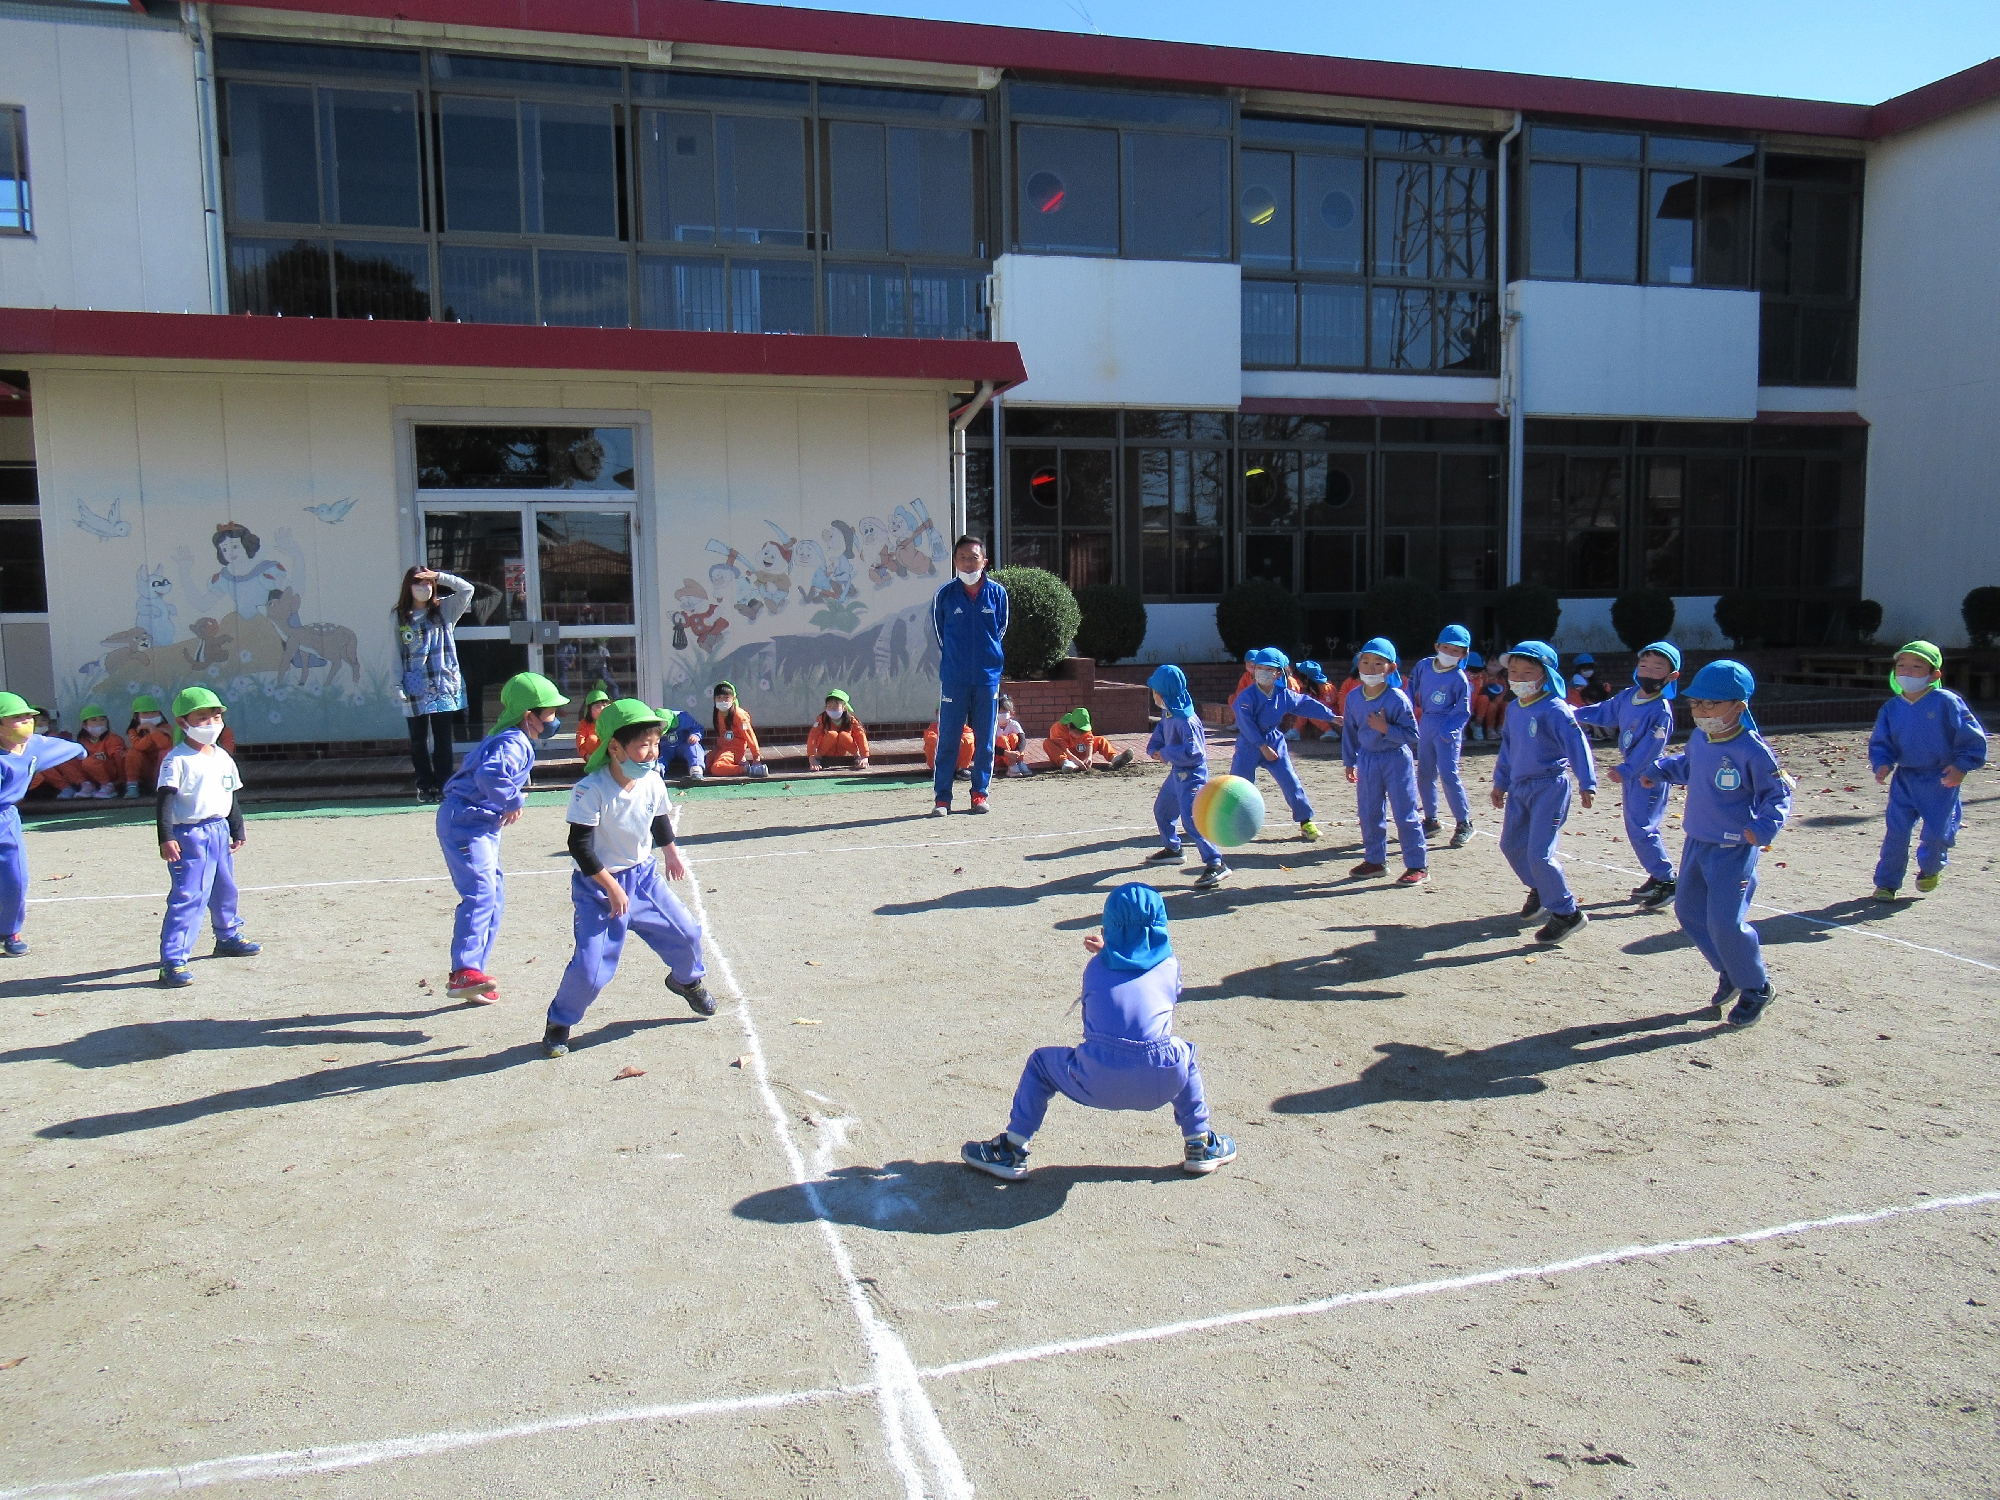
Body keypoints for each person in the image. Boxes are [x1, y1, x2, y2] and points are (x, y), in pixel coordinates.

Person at [960, 883, 1234, 1180]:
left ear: (1108, 926)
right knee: (1183, 1054)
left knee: (1040, 1062)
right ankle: (1200, 1142)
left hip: (1095, 1079)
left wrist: (1108, 953)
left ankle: (1013, 1149)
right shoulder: (1170, 966)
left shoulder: (1094, 968)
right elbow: (1151, 981)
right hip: (1160, 1082)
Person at [543, 699, 713, 1058]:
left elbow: (659, 819)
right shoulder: (591, 790)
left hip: (643, 878)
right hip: (599, 888)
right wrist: (610, 886)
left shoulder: (652, 781)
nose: (651, 753)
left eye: (654, 744)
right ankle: (559, 1022)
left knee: (687, 934)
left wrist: (670, 853)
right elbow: (579, 845)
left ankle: (686, 980)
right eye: (642, 746)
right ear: (614, 747)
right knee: (591, 970)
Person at [1641, 660, 1792, 1026]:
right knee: (1689, 913)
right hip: (1697, 840)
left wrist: (1765, 826)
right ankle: (1730, 970)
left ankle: (1756, 986)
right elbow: (1690, 766)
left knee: (1726, 922)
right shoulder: (1700, 738)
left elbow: (1779, 792)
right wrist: (1660, 771)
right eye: (1696, 704)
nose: (1702, 712)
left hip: (1733, 849)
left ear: (1739, 706)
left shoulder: (1752, 750)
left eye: (1712, 704)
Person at [435, 672, 568, 1003]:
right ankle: (464, 970)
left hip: (480, 824)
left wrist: (505, 801)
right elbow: (491, 774)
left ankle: (472, 973)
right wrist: (512, 800)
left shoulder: (511, 738)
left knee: (493, 896)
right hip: (465, 822)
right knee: (480, 892)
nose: (555, 719)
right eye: (550, 712)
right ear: (529, 716)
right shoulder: (512, 741)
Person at [1490, 641, 1597, 944]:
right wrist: (1501, 782)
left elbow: (1578, 746)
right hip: (1520, 788)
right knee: (1511, 846)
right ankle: (1541, 886)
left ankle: (1567, 912)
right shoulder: (1513, 708)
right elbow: (1508, 748)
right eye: (1514, 672)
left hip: (1550, 785)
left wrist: (1587, 783)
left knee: (1539, 852)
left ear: (1546, 675)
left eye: (1528, 672)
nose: (1519, 679)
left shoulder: (1556, 709)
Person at [156, 687, 260, 986]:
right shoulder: (177, 760)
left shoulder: (223, 756)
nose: (211, 723)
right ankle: (173, 959)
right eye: (202, 718)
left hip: (218, 830)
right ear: (182, 722)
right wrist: (166, 837)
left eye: (216, 716)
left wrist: (236, 827)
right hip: (188, 833)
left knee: (225, 888)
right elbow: (165, 799)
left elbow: (230, 794)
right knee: (188, 895)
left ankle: (227, 935)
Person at [1868, 640, 1987, 899]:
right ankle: (1887, 883)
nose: (1907, 672)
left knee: (1936, 833)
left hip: (1941, 779)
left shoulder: (1947, 702)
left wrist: (1962, 766)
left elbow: (1972, 738)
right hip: (1905, 778)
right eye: (1901, 666)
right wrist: (1883, 763)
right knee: (1896, 833)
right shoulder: (1891, 708)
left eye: (1916, 666)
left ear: (1934, 674)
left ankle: (1931, 868)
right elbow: (1881, 741)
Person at [1574, 641, 1682, 908]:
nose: (1648, 672)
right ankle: (1657, 875)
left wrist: (1627, 769)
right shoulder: (1627, 696)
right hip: (1633, 774)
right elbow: (1604, 713)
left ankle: (1667, 880)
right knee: (1636, 827)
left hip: (1650, 775)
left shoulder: (1661, 710)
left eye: (1657, 668)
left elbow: (1650, 747)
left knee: (1642, 827)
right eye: (1644, 665)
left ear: (1671, 676)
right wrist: (1572, 713)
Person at [0, 692, 86, 956]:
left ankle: (9, 931)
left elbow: (60, 747)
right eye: (17, 718)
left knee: (16, 878)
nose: (27, 721)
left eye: (29, 716)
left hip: (6, 819)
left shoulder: (34, 745)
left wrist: (81, 750)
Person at [929, 536, 1009, 816]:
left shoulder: (998, 594)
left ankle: (979, 795)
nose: (968, 562)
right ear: (954, 561)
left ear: (984, 561)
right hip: (954, 678)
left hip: (987, 679)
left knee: (985, 741)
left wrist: (987, 661)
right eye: (962, 557)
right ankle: (942, 799)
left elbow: (999, 631)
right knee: (948, 739)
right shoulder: (945, 595)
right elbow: (941, 635)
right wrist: (958, 661)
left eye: (973, 557)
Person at [1340, 637, 1427, 884]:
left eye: (1378, 663)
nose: (1370, 668)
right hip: (1367, 759)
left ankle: (1417, 865)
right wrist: (1350, 760)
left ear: (1391, 668)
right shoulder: (1354, 697)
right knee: (1368, 812)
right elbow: (1349, 730)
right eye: (1365, 662)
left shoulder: (1397, 698)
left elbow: (1412, 734)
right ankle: (1375, 860)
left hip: (1395, 760)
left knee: (1404, 812)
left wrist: (1385, 727)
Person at [1230, 647, 1338, 840]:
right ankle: (1232, 822)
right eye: (1259, 667)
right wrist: (1262, 746)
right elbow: (1246, 724)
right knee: (1239, 785)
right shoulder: (1246, 696)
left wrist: (1331, 716)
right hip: (1249, 744)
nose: (1263, 672)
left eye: (1269, 669)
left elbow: (1305, 703)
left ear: (1279, 673)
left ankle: (1306, 821)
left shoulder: (1283, 694)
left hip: (1274, 740)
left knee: (1290, 780)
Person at [393, 565, 476, 803]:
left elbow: (467, 589)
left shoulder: (445, 610)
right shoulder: (399, 616)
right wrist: (396, 684)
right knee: (418, 739)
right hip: (413, 684)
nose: (424, 588)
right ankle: (423, 784)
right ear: (409, 587)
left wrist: (440, 576)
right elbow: (394, 651)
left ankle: (443, 785)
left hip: (442, 684)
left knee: (442, 739)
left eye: (428, 583)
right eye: (419, 582)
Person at [1144, 664, 1227, 889]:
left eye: (1155, 691)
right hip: (1177, 773)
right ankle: (1173, 849)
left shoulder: (1187, 720)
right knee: (1163, 810)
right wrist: (1154, 748)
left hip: (1192, 776)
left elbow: (1195, 753)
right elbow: (1161, 731)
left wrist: (1166, 753)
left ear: (1165, 693)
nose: (1153, 695)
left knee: (1193, 820)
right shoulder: (1169, 711)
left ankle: (1216, 863)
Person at [1409, 625, 1475, 848]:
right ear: (1437, 646)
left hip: (1448, 727)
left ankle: (1464, 823)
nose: (1449, 653)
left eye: (1456, 650)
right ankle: (1431, 819)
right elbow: (1410, 689)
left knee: (1448, 774)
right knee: (1425, 773)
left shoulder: (1459, 678)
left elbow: (1463, 710)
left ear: (1464, 654)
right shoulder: (1424, 666)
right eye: (1445, 647)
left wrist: (1448, 731)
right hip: (1426, 723)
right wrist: (1405, 713)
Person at [706, 682, 767, 779]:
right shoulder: (719, 713)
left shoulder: (739, 715)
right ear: (714, 699)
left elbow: (749, 735)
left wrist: (756, 757)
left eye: (726, 698)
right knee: (705, 764)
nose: (723, 701)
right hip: (721, 747)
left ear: (733, 699)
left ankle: (746, 769)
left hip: (734, 749)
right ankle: (740, 763)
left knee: (717, 768)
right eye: (719, 698)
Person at [1044, 707, 1133, 772]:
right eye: (1077, 733)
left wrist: (1088, 757)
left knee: (1101, 740)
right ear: (1070, 726)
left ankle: (1114, 759)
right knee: (1047, 743)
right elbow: (1064, 748)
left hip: (1080, 750)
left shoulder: (1083, 725)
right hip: (1064, 754)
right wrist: (1077, 762)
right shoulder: (1058, 728)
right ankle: (1067, 764)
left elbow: (1089, 740)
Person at [70, 704, 126, 799]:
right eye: (94, 720)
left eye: (102, 719)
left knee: (89, 761)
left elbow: (120, 761)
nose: (99, 723)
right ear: (84, 725)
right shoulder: (82, 740)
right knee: (66, 759)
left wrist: (121, 780)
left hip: (112, 775)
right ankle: (87, 786)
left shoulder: (113, 739)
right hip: (92, 776)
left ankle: (108, 786)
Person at [806, 690, 870, 771]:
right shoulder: (822, 719)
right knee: (832, 734)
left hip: (842, 749)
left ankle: (857, 757)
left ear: (844, 708)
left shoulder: (851, 720)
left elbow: (860, 736)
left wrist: (865, 756)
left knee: (844, 735)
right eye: (829, 706)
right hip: (825, 750)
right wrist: (812, 757)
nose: (832, 709)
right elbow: (813, 736)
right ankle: (818, 758)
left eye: (836, 706)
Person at [124, 696, 173, 798]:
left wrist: (153, 729)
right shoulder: (133, 730)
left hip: (160, 770)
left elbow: (163, 745)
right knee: (133, 752)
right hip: (145, 770)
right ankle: (132, 786)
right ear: (136, 716)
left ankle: (163, 785)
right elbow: (140, 746)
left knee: (166, 751)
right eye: (145, 713)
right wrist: (153, 731)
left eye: (154, 712)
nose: (150, 715)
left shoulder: (166, 727)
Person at [1292, 660, 1341, 738]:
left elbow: (1330, 703)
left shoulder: (1327, 687)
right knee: (1305, 707)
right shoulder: (1312, 688)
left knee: (1311, 709)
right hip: (1322, 712)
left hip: (1332, 714)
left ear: (1306, 679)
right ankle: (1295, 731)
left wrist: (1313, 703)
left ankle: (1330, 731)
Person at [659, 708, 705, 781]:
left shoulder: (683, 717)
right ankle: (658, 770)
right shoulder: (652, 722)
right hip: (666, 747)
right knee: (660, 755)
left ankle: (696, 767)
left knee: (694, 746)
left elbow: (697, 728)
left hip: (683, 744)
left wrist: (695, 735)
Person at [1470, 655, 1508, 743]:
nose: (1494, 665)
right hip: (1478, 703)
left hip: (1494, 704)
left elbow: (1503, 693)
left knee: (1506, 704)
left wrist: (1497, 700)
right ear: (1486, 664)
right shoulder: (1480, 675)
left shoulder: (1501, 679)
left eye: (1497, 663)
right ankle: (1487, 728)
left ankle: (1500, 728)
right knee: (1485, 699)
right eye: (1492, 662)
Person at [994, 693, 1031, 777]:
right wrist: (1007, 753)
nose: (1001, 714)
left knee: (1014, 736)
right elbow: (990, 745)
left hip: (1015, 757)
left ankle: (1019, 762)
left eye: (1005, 711)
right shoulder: (992, 726)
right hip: (999, 757)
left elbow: (1022, 739)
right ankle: (1012, 765)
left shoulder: (1014, 724)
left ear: (1011, 714)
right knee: (1002, 739)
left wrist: (1017, 752)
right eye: (999, 712)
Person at [574, 687, 612, 762]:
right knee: (593, 739)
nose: (602, 709)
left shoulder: (612, 721)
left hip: (612, 757)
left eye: (604, 705)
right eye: (597, 706)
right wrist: (588, 757)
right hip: (594, 758)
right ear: (589, 709)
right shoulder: (584, 724)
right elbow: (580, 744)